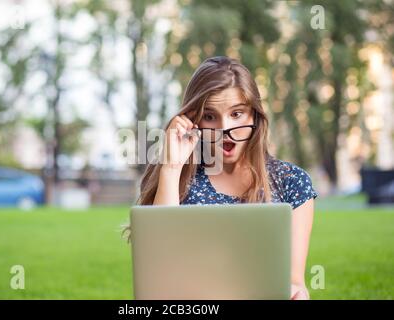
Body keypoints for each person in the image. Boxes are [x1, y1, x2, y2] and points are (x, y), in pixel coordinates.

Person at [134, 56, 318, 300]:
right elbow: (157, 271)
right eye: (210, 116)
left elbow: (294, 282)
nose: (224, 130)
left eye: (237, 114)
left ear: (254, 115)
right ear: (193, 120)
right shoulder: (179, 178)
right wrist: (171, 167)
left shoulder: (291, 182)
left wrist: (298, 294)